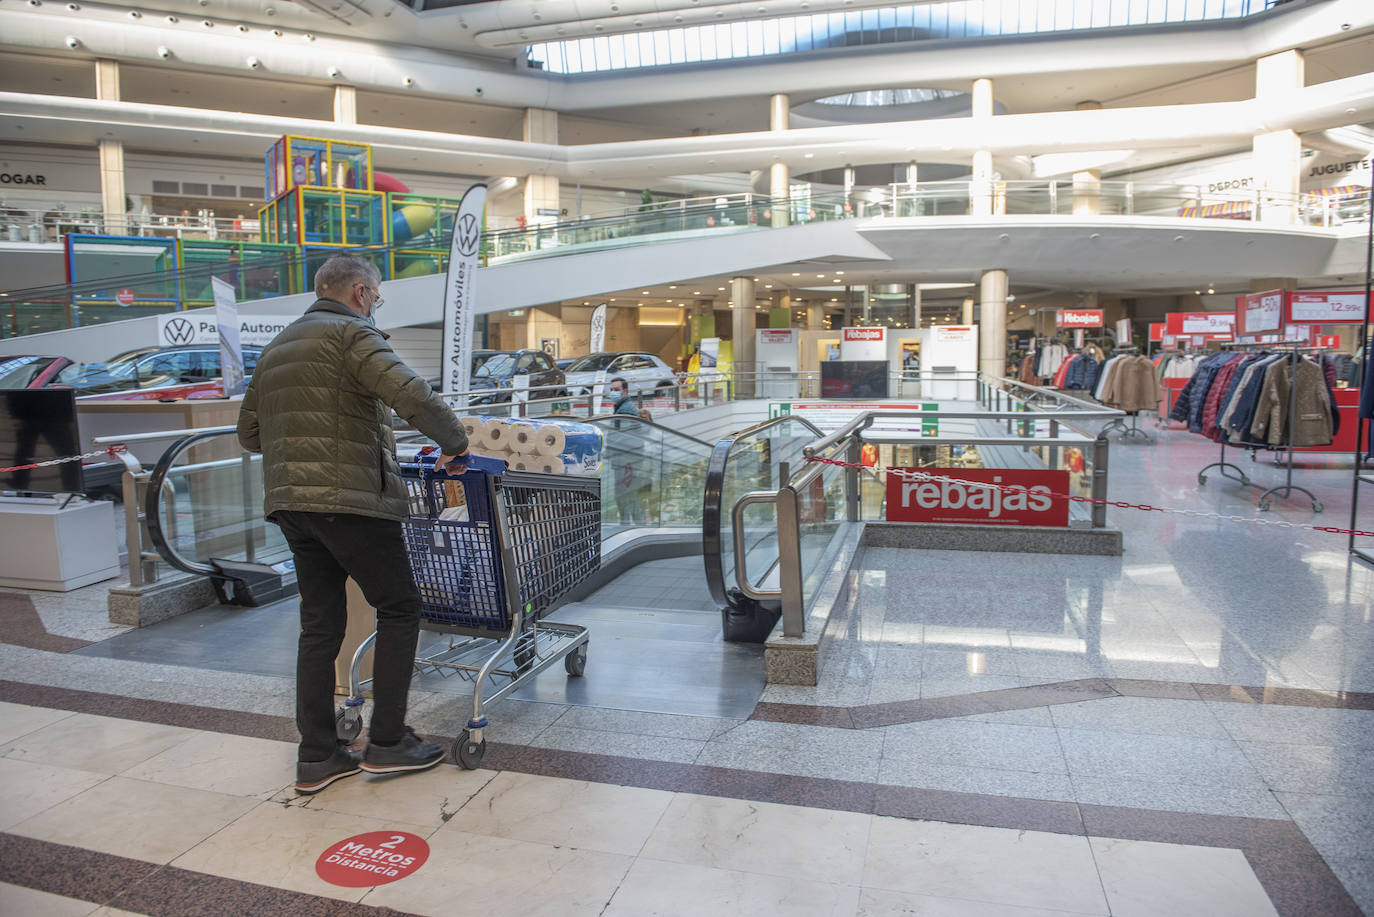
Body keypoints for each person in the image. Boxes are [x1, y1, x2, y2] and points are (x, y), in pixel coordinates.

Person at [236, 253, 470, 795]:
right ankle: (388, 741)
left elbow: (250, 433)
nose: (377, 303)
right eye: (378, 295)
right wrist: (455, 444)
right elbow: (413, 394)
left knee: (319, 626)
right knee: (400, 606)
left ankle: (317, 755)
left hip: (292, 505)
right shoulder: (351, 335)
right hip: (351, 500)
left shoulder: (278, 347)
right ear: (361, 292)